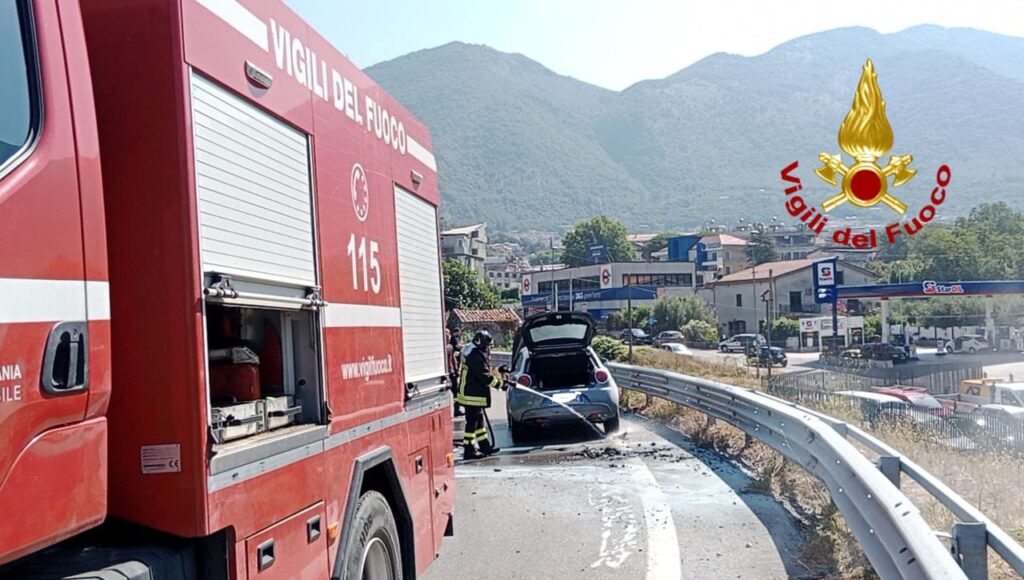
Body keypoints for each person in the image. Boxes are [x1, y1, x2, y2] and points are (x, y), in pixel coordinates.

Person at [456, 330, 506, 459]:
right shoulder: (474, 356)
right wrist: (501, 384)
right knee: (472, 423)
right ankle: (469, 450)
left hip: (472, 393)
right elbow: (485, 377)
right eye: (487, 345)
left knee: (479, 423)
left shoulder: (473, 352)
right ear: (481, 343)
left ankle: (484, 446)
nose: (488, 348)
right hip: (471, 394)